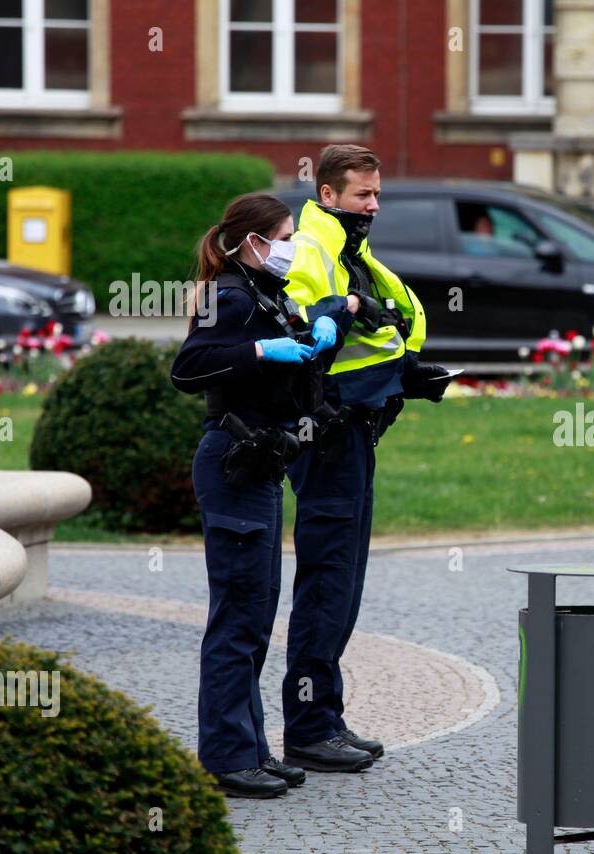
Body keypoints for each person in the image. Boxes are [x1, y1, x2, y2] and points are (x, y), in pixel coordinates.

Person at [170, 193, 359, 797]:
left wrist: (332, 318)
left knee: (255, 617)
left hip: (257, 468)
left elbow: (304, 343)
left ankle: (251, 748)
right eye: (282, 237)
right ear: (252, 242)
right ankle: (226, 758)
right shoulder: (226, 296)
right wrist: (257, 351)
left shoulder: (263, 294)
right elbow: (188, 368)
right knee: (237, 619)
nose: (291, 249)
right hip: (231, 466)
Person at [280, 144, 452, 772]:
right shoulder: (314, 247)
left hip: (353, 430)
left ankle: (325, 716)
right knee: (327, 583)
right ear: (329, 194)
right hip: (325, 437)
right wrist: (339, 318)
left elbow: (377, 333)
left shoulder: (350, 250)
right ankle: (306, 728)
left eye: (378, 195)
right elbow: (301, 330)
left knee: (344, 582)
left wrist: (408, 374)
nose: (374, 206)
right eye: (363, 195)